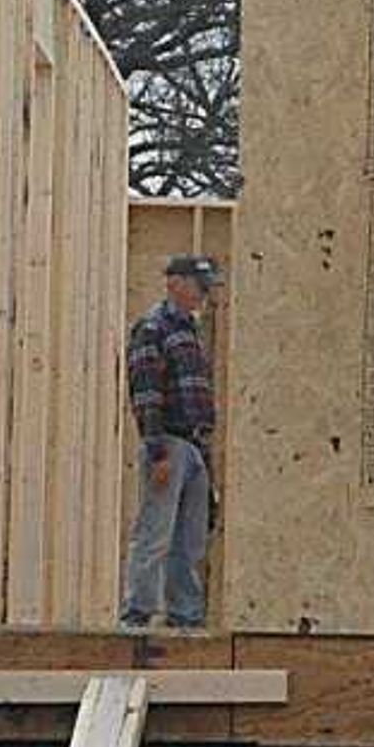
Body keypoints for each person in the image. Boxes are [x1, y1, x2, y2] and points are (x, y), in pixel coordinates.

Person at [119, 251, 221, 629]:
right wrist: (157, 450)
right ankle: (138, 614)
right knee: (155, 533)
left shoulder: (189, 330)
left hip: (193, 446)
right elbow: (146, 392)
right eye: (199, 287)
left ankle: (185, 616)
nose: (203, 295)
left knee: (190, 540)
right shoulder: (153, 328)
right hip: (169, 443)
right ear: (175, 283)